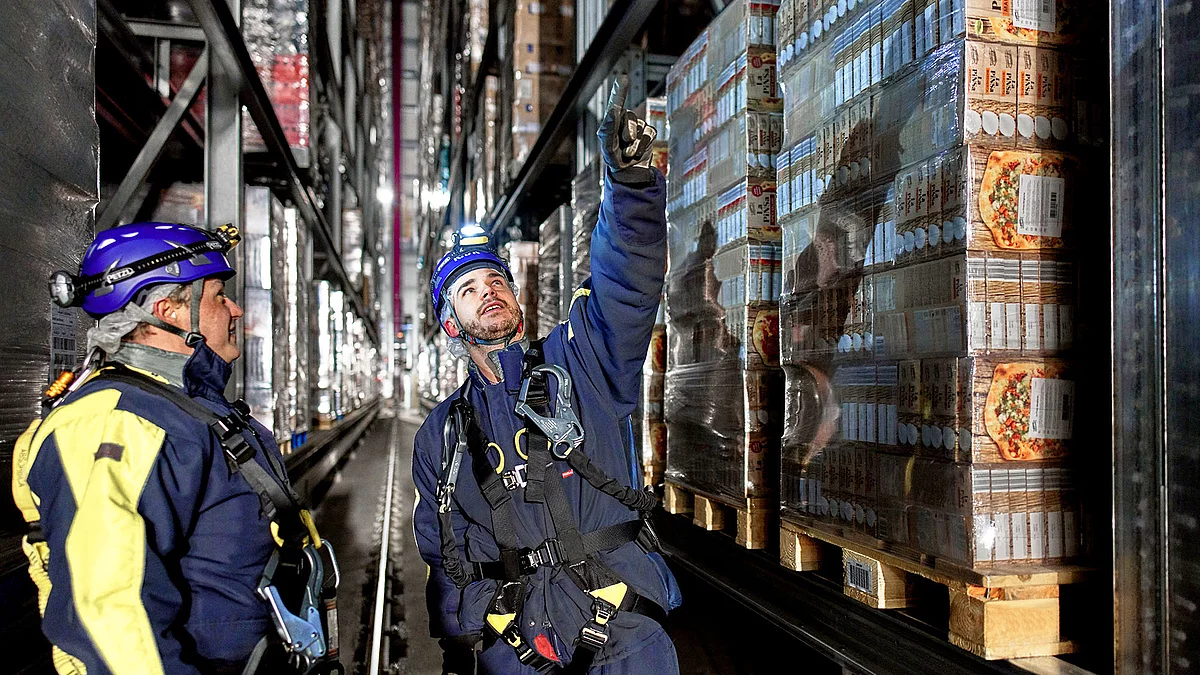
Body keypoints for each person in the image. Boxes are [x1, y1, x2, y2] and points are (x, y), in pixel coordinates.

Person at [412, 78, 682, 675]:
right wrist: (477, 634)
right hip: (523, 649)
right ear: (451, 328)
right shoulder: (443, 436)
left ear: (519, 300)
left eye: (497, 282)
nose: (489, 294)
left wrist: (631, 186)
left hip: (624, 632)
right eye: (468, 291)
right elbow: (444, 550)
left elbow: (627, 288)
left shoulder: (583, 359)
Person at [12, 223, 338, 675]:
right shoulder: (118, 421)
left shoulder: (189, 409)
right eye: (219, 297)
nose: (236, 310)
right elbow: (109, 611)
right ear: (168, 312)